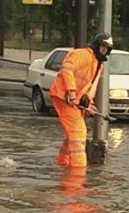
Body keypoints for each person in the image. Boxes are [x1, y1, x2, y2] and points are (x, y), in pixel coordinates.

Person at [48, 32, 114, 167]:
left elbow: (91, 88)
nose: (104, 51)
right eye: (102, 47)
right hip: (63, 96)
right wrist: (71, 92)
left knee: (71, 135)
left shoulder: (98, 65)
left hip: (73, 100)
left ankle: (63, 163)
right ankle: (78, 172)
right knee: (79, 131)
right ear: (97, 45)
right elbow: (66, 69)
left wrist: (90, 103)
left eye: (107, 49)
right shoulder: (81, 54)